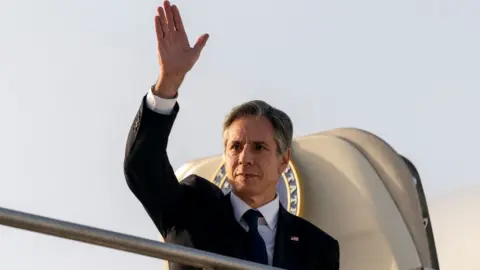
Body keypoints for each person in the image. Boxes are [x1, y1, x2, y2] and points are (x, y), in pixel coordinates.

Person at [123, 1, 340, 269]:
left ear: (284, 160)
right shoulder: (190, 212)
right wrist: (168, 82)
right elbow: (142, 167)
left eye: (259, 147)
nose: (245, 157)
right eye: (236, 147)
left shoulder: (317, 247)